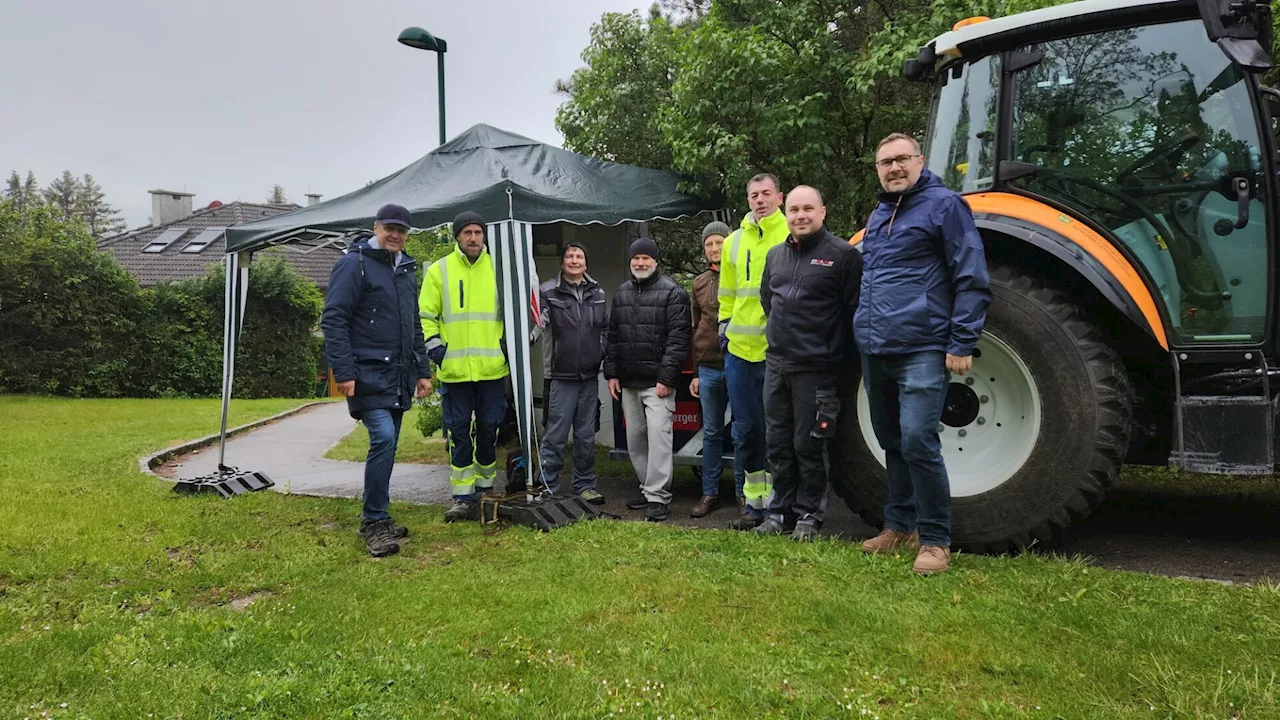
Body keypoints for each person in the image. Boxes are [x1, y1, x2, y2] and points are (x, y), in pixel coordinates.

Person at [856, 133, 991, 574]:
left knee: (918, 440)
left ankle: (935, 539)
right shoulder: (879, 213)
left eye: (900, 160)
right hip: (876, 347)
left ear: (919, 160)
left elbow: (970, 273)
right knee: (891, 440)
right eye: (884, 163)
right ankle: (898, 525)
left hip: (923, 346)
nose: (893, 168)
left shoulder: (945, 205)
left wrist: (961, 340)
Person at [321, 203, 434, 557]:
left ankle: (379, 516)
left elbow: (412, 324)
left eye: (401, 230)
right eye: (389, 228)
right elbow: (334, 319)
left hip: (399, 374)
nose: (395, 235)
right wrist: (345, 372)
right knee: (383, 439)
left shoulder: (406, 270)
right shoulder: (353, 264)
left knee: (390, 444)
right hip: (367, 372)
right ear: (376, 227)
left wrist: (422, 370)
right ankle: (373, 521)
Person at [755, 186, 861, 541]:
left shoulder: (843, 256)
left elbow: (852, 312)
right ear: (786, 213)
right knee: (778, 443)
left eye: (808, 209)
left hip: (816, 369)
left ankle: (809, 516)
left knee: (809, 444)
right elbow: (768, 300)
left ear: (823, 212)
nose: (800, 215)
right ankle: (778, 512)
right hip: (777, 365)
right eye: (794, 209)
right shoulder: (775, 256)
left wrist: (828, 351)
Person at [419, 211, 511, 522]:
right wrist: (437, 352)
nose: (473, 238)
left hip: (491, 369)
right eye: (467, 232)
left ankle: (485, 488)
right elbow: (426, 316)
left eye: (478, 232)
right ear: (457, 236)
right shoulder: (439, 270)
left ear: (484, 236)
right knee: (459, 433)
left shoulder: (499, 269)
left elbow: (513, 313)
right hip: (455, 371)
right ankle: (462, 495)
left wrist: (506, 350)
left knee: (489, 429)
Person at [719, 173, 790, 529]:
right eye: (753, 195)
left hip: (777, 352)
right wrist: (723, 328)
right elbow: (727, 294)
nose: (760, 200)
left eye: (766, 194)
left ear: (780, 197)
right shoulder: (732, 242)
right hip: (739, 353)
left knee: (777, 430)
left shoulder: (792, 234)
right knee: (745, 431)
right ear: (747, 201)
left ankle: (780, 505)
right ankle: (754, 505)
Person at [603, 237, 692, 522]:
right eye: (636, 258)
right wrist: (612, 373)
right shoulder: (622, 293)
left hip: (658, 385)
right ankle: (647, 488)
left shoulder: (674, 293)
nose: (640, 263)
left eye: (646, 258)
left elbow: (679, 341)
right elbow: (612, 337)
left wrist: (667, 378)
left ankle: (658, 497)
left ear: (656, 261)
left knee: (659, 439)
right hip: (628, 382)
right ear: (630, 262)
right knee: (636, 440)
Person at [529, 242, 607, 504]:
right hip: (559, 377)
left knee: (586, 436)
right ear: (562, 263)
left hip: (588, 377)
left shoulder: (598, 293)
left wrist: (600, 350)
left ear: (585, 263)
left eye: (579, 256)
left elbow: (605, 329)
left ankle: (584, 485)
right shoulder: (547, 291)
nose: (574, 260)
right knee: (555, 435)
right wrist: (526, 338)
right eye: (569, 256)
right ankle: (547, 485)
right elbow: (540, 323)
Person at [688, 220, 745, 517]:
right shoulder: (697, 283)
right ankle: (709, 493)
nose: (714, 248)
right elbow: (696, 329)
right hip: (708, 369)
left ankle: (742, 494)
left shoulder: (741, 278)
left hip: (738, 365)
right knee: (711, 433)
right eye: (709, 243)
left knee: (741, 432)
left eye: (719, 242)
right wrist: (696, 373)